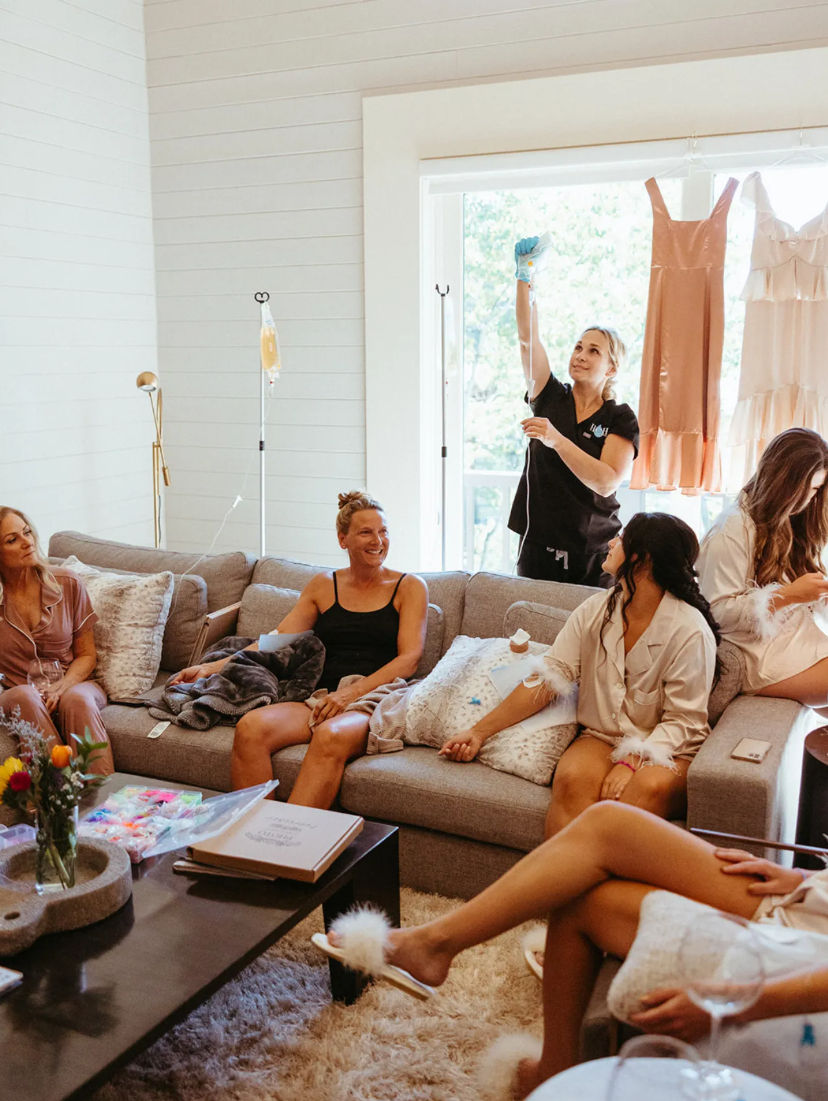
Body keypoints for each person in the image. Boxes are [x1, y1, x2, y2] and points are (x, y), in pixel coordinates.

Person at [325, 801, 828, 1098]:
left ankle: (550, 1064)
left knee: (584, 900)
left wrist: (744, 998)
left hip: (805, 950)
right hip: (810, 903)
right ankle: (435, 946)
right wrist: (805, 874)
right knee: (608, 823)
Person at [440, 512, 719, 837]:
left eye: (622, 537)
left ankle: (587, 881)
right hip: (602, 737)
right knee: (572, 780)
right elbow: (548, 678)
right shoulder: (594, 611)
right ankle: (559, 883)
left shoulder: (689, 630)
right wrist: (478, 732)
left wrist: (631, 762)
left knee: (634, 793)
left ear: (641, 558)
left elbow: (684, 722)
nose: (612, 541)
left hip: (669, 747)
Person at [171, 492, 428, 809]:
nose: (378, 540)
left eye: (383, 531)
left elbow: (410, 658)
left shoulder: (410, 587)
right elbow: (279, 638)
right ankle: (255, 838)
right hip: (321, 696)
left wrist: (349, 695)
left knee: (329, 735)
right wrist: (214, 666)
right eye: (366, 532)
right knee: (251, 728)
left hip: (377, 696)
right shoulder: (324, 585)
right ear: (342, 539)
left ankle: (289, 847)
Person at [507, 236, 639, 586]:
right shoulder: (549, 396)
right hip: (537, 544)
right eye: (579, 346)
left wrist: (556, 439)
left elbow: (607, 480)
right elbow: (527, 338)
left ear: (611, 368)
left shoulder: (620, 418)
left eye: (594, 351)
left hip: (593, 552)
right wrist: (525, 278)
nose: (580, 355)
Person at [697, 427, 828, 713]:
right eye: (805, 489)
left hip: (788, 640)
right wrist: (788, 595)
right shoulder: (730, 530)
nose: (809, 499)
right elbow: (716, 613)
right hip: (755, 652)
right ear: (782, 482)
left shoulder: (786, 520)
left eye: (816, 489)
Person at [0, 507, 113, 775]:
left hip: (75, 682)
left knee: (76, 700)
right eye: (12, 540)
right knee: (24, 696)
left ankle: (105, 804)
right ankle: (58, 798)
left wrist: (63, 686)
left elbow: (87, 655)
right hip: (19, 693)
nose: (27, 542)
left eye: (27, 532)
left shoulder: (67, 583)